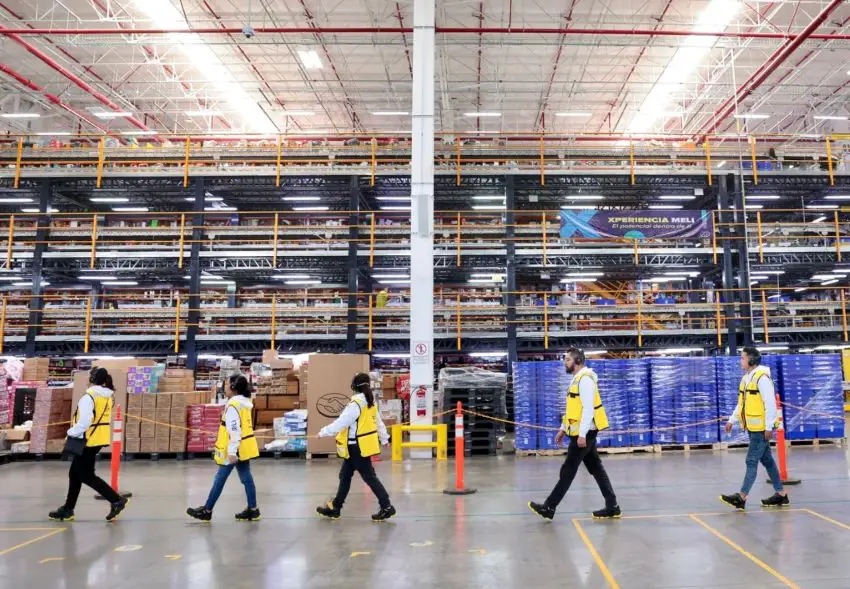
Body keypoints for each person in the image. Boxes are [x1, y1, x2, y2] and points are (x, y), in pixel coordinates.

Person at [529, 347, 620, 521]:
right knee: (596, 469)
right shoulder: (577, 380)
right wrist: (563, 428)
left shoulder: (585, 380)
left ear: (577, 361)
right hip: (580, 431)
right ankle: (612, 506)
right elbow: (573, 408)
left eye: (568, 360)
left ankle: (549, 506)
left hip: (585, 432)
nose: (565, 362)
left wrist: (583, 435)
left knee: (568, 469)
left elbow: (588, 410)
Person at [49, 367, 129, 522]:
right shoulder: (107, 396)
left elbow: (85, 421)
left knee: (87, 476)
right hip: (98, 438)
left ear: (91, 379)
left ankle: (116, 500)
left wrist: (71, 432)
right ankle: (68, 508)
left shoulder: (89, 397)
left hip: (86, 439)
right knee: (75, 474)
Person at [316, 373, 396, 522]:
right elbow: (378, 422)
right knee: (345, 476)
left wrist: (323, 432)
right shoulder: (370, 402)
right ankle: (336, 507)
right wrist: (384, 438)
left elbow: (342, 423)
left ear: (354, 386)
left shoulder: (356, 404)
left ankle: (386, 506)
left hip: (356, 447)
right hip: (359, 447)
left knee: (369, 478)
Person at [720, 347, 790, 510]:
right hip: (752, 428)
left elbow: (770, 404)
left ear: (751, 360)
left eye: (742, 358)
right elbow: (742, 404)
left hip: (761, 430)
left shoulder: (762, 378)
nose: (740, 361)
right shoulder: (746, 379)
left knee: (751, 460)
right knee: (767, 461)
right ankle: (781, 495)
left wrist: (768, 427)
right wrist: (732, 420)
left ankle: (742, 497)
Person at [187, 375, 261, 522]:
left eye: (227, 386)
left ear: (233, 388)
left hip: (233, 449)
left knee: (219, 479)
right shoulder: (244, 403)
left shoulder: (233, 405)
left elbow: (234, 430)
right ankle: (253, 510)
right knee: (246, 477)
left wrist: (232, 452)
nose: (225, 388)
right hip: (243, 446)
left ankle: (207, 510)